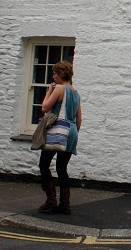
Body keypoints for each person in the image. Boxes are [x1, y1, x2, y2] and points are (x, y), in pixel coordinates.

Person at [38, 60, 83, 215]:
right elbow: (79, 119)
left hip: (59, 131)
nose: (53, 76)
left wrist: (49, 92)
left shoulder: (59, 89)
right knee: (62, 168)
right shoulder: (75, 92)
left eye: (55, 73)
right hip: (72, 132)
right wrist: (73, 133)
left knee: (44, 164)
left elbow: (44, 108)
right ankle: (65, 204)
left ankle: (51, 201)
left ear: (62, 74)